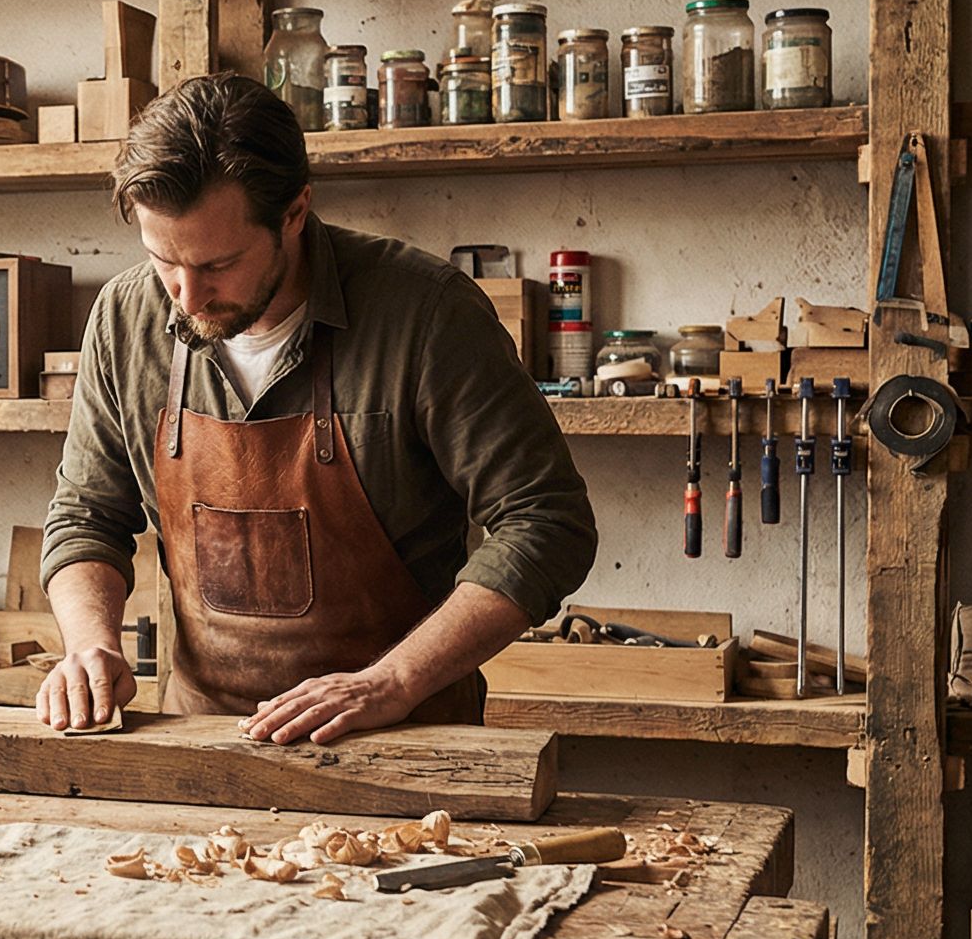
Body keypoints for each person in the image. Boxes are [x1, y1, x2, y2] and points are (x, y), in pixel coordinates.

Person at [36, 73, 596, 742]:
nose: (185, 297)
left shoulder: (427, 313)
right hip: (204, 740)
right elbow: (86, 515)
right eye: (164, 261)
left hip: (405, 741)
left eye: (218, 265)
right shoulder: (126, 317)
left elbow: (546, 523)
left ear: (296, 211)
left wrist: (390, 682)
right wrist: (90, 645)